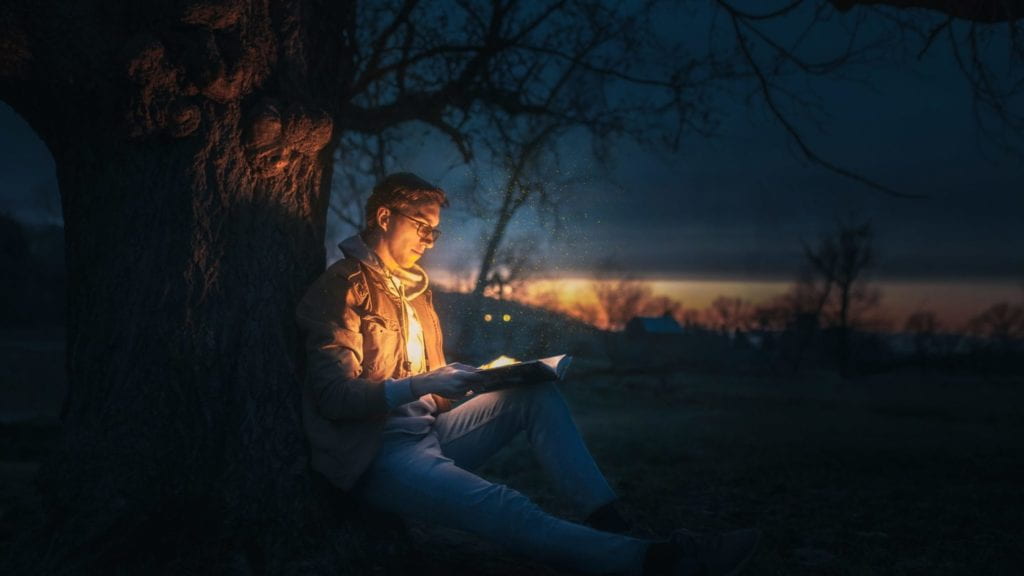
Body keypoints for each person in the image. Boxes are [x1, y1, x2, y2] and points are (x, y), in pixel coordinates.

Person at [296, 172, 759, 575]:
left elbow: (427, 388)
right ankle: (657, 563)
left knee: (535, 396)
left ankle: (618, 530)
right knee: (505, 506)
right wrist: (423, 383)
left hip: (429, 434)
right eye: (421, 226)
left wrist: (473, 378)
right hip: (375, 456)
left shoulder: (417, 292)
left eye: (435, 233)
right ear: (383, 217)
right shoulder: (342, 288)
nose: (428, 241)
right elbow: (335, 397)